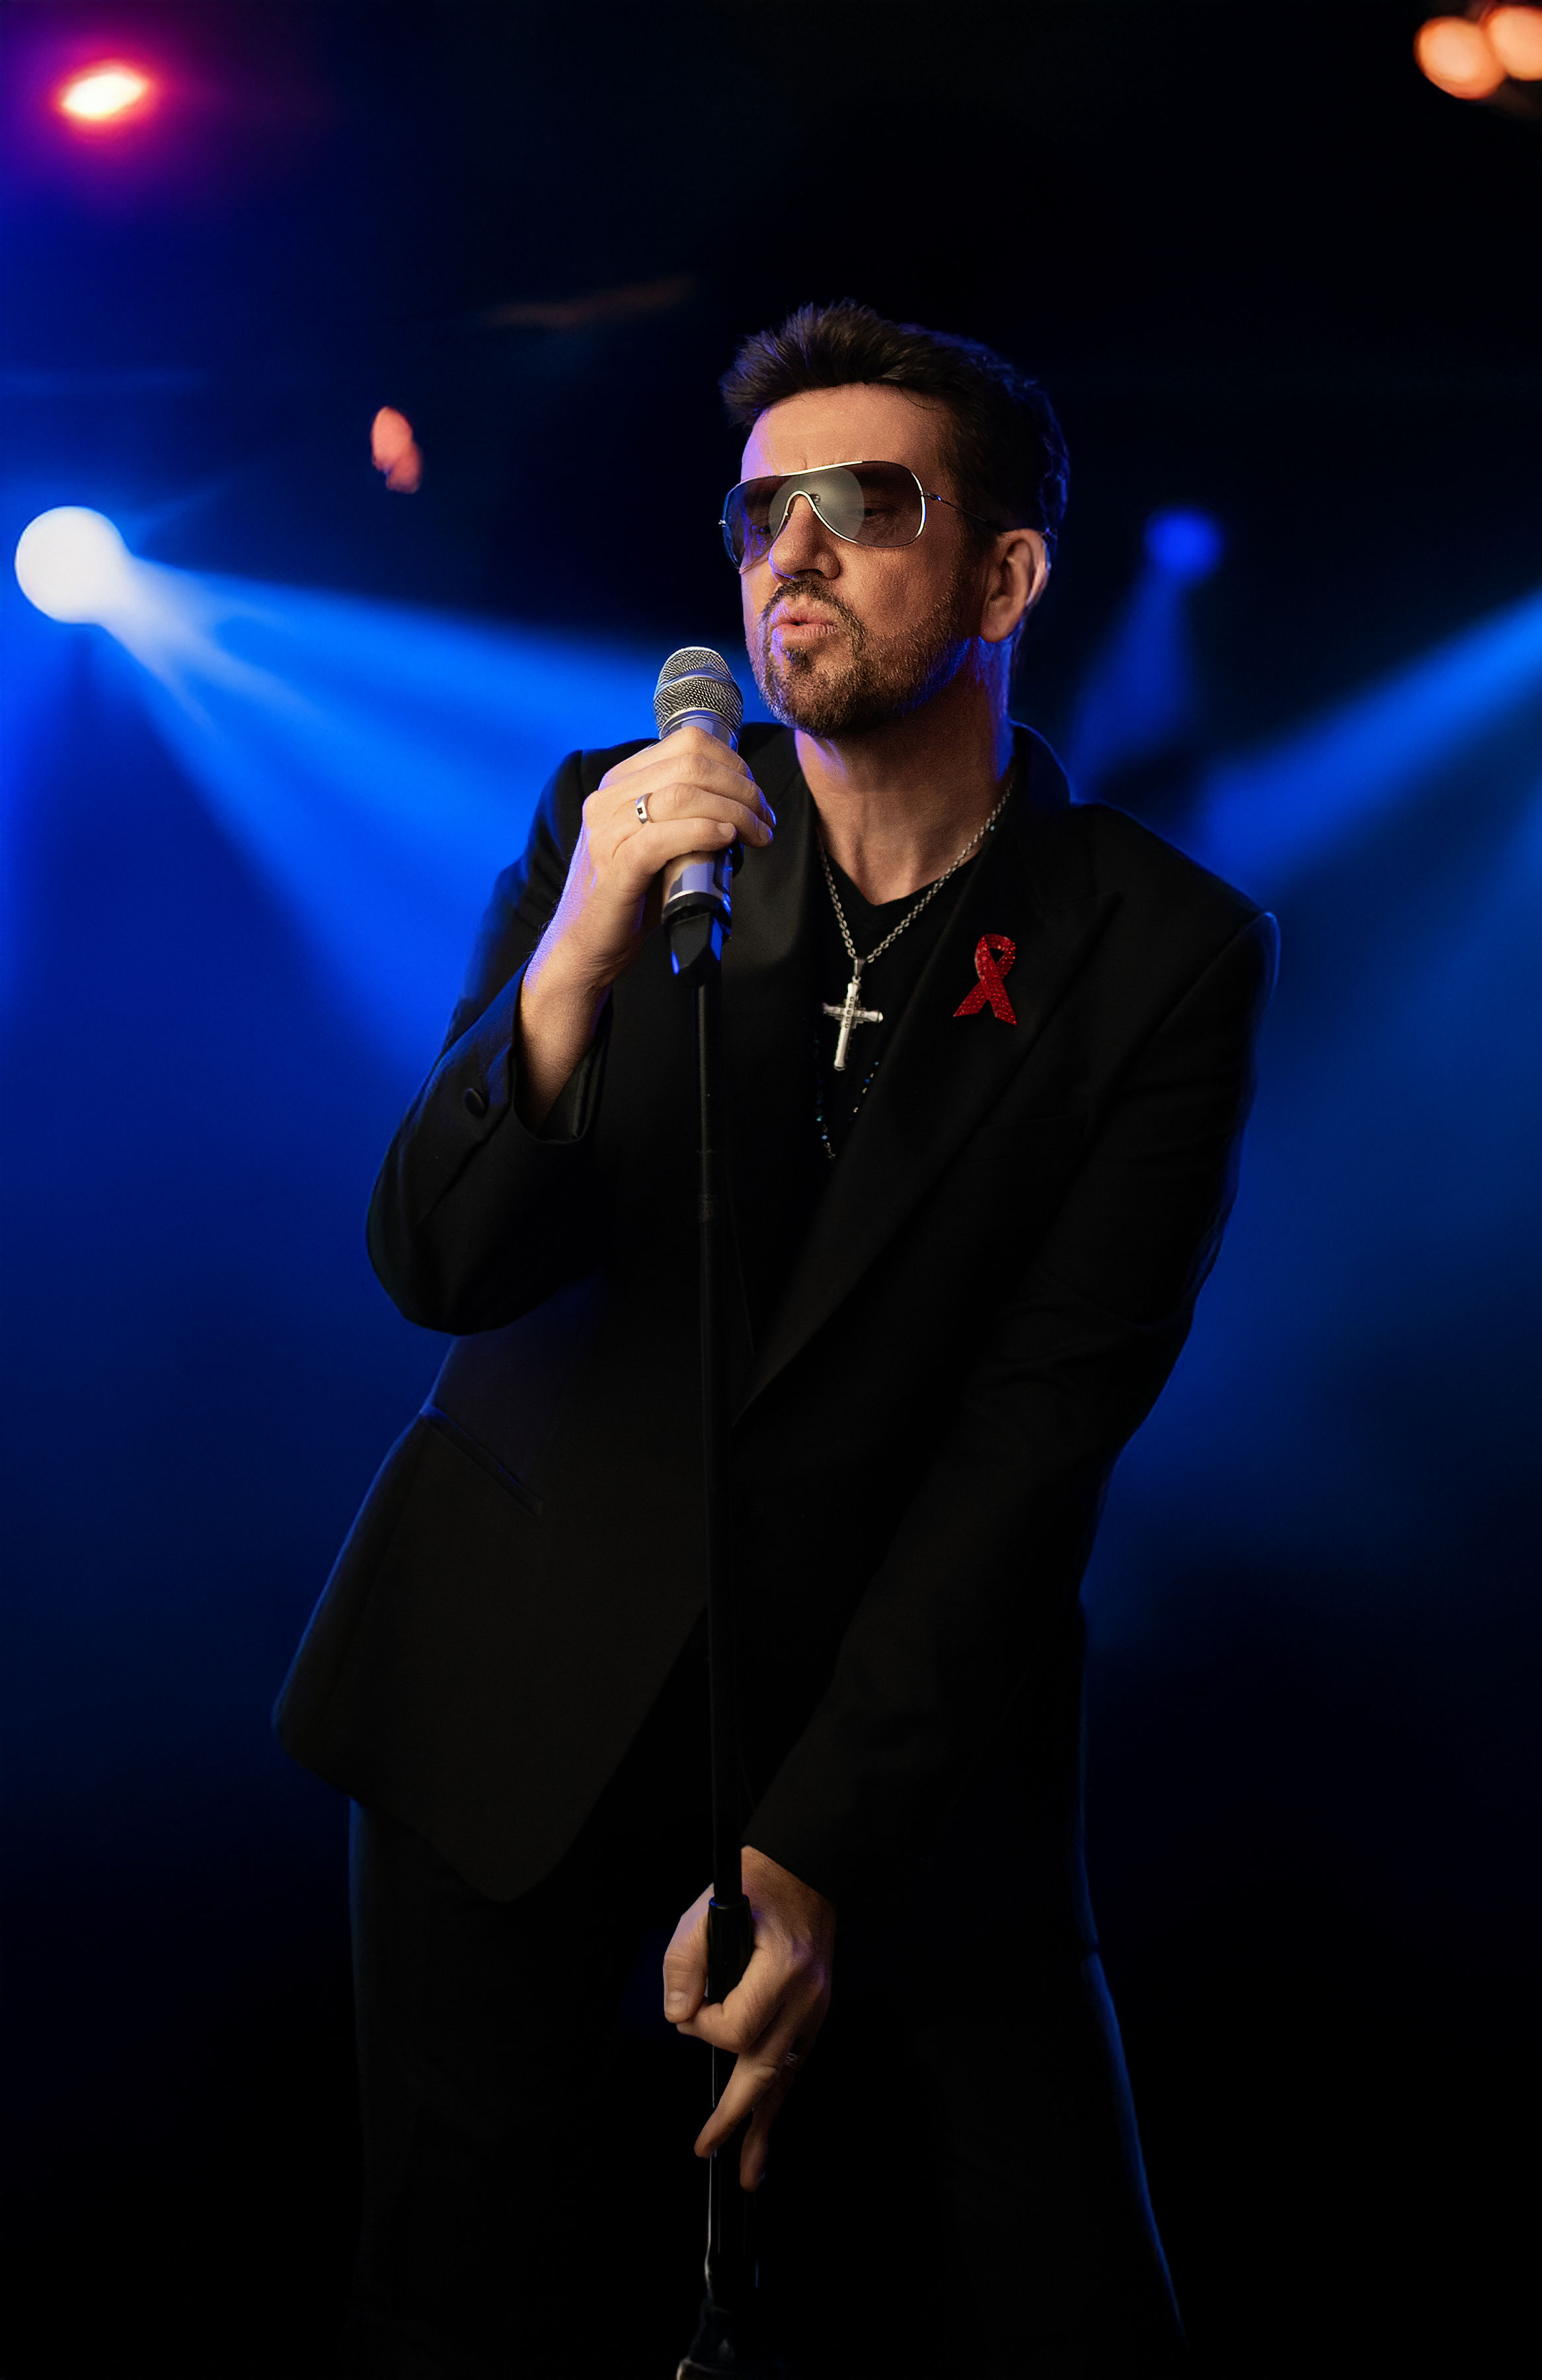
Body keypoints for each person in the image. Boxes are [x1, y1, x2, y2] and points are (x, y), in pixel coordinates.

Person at [276, 299, 1277, 2378]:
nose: (787, 557)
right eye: (757, 516)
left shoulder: (1157, 952)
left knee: (1053, 2306)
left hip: (895, 1734)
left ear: (1005, 575)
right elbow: (437, 1261)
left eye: (858, 506)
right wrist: (575, 948)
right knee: (465, 2312)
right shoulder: (613, 825)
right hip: (509, 1706)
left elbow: (1042, 1432)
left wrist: (816, 1847)